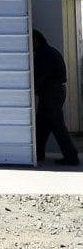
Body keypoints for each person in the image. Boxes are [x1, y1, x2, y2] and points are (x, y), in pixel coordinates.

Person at [32, 30, 80, 165]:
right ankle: (38, 153)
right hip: (54, 92)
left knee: (57, 126)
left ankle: (71, 157)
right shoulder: (49, 51)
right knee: (42, 124)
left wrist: (34, 89)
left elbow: (42, 76)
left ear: (36, 40)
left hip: (51, 94)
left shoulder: (43, 55)